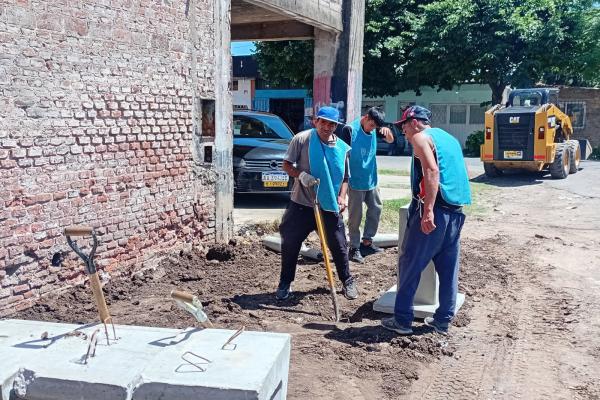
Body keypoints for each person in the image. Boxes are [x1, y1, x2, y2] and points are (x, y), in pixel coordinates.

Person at [381, 105, 471, 335]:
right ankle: (443, 320)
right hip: (455, 212)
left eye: (403, 127)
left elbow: (432, 171)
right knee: (448, 268)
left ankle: (402, 320)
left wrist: (428, 210)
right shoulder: (449, 138)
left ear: (413, 122)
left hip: (435, 211)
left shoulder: (421, 138)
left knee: (410, 264)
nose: (403, 132)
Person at [275, 106, 359, 301]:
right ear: (316, 121)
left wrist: (342, 197)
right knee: (290, 242)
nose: (327, 127)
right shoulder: (302, 139)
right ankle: (285, 282)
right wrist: (301, 175)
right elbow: (286, 165)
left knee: (339, 246)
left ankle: (347, 281)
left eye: (332, 124)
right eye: (324, 122)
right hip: (302, 205)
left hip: (329, 205)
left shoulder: (341, 148)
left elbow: (346, 177)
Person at [340, 107, 395, 263]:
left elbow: (390, 141)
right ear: (366, 117)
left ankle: (367, 241)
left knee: (376, 208)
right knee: (355, 216)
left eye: (375, 127)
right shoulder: (349, 130)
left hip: (371, 178)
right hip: (355, 180)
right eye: (371, 125)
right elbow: (342, 155)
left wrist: (388, 134)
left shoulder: (376, 128)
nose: (373, 129)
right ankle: (354, 248)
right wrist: (343, 181)